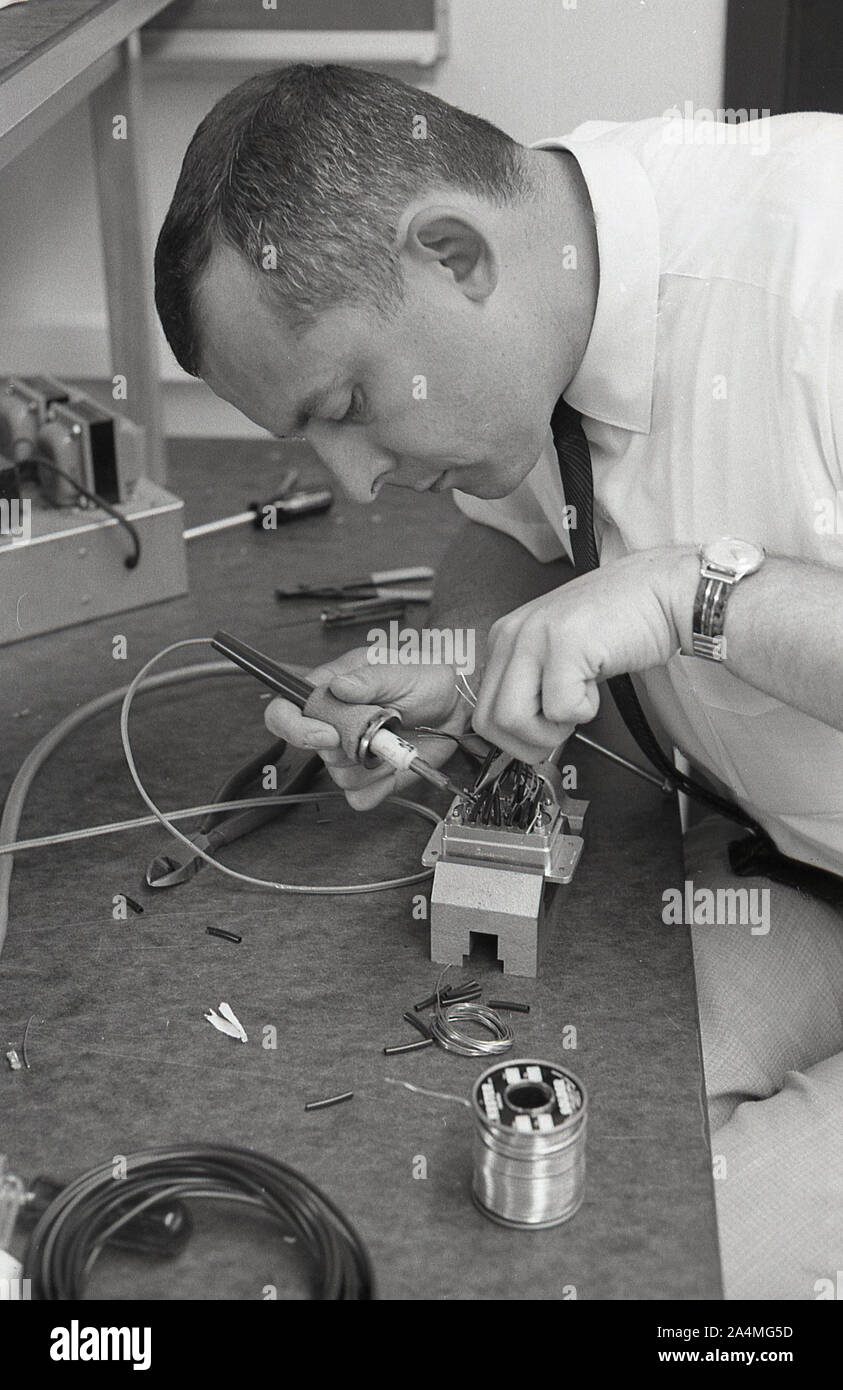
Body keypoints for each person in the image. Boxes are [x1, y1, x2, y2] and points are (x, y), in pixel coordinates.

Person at [154, 64, 843, 1299]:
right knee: (548, 1156)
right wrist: (454, 656)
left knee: (689, 1270)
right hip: (800, 869)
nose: (354, 486)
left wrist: (694, 593)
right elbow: (522, 528)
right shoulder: (549, 258)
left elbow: (660, 573)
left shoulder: (816, 274)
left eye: (352, 405)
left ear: (454, 256)